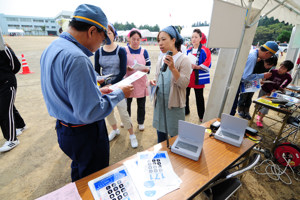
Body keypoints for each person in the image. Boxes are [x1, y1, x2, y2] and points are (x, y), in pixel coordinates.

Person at [40, 4, 133, 182]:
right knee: (94, 180)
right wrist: (119, 93)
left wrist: (95, 90)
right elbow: (90, 112)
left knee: (80, 173)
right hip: (85, 134)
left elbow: (65, 90)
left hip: (65, 129)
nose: (100, 45)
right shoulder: (77, 58)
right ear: (91, 31)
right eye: (102, 39)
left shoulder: (52, 47)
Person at [94, 23, 138, 148]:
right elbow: (96, 70)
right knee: (108, 111)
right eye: (105, 33)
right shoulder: (99, 51)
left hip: (119, 85)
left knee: (123, 111)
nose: (107, 35)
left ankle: (131, 134)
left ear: (114, 34)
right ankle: (114, 130)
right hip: (104, 87)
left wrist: (113, 84)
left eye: (109, 32)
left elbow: (123, 71)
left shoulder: (121, 50)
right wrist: (100, 79)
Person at [150, 25, 191, 143]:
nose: (160, 43)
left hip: (174, 105)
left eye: (163, 39)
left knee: (175, 138)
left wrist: (173, 68)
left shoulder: (184, 60)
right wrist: (153, 82)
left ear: (173, 40)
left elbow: (184, 84)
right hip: (160, 104)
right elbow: (158, 78)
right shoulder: (160, 59)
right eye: (158, 40)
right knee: (161, 136)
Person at [231, 41, 279, 117]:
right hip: (239, 82)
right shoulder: (253, 57)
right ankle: (238, 112)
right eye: (270, 56)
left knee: (245, 99)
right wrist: (262, 75)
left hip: (242, 82)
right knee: (234, 105)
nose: (268, 58)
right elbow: (246, 76)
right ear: (267, 53)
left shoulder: (254, 53)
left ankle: (244, 111)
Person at [0, 43, 26, 152]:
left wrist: (5, 75)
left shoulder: (3, 49)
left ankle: (12, 139)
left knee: (4, 111)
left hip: (7, 83)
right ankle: (20, 125)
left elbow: (16, 66)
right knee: (8, 106)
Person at [124, 28, 151, 131]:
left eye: (138, 39)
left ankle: (140, 122)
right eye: (133, 39)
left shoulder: (144, 51)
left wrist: (145, 69)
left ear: (140, 40)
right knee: (127, 103)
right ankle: (127, 120)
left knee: (141, 104)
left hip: (141, 81)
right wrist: (126, 68)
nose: (135, 41)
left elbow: (149, 66)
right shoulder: (124, 50)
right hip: (128, 81)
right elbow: (121, 66)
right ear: (129, 39)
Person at [238, 56, 278, 120]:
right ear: (265, 60)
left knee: (249, 97)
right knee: (243, 96)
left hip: (255, 84)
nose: (268, 67)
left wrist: (263, 80)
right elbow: (248, 74)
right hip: (246, 81)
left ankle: (246, 111)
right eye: (268, 65)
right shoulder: (257, 62)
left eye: (271, 66)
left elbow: (263, 75)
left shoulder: (267, 66)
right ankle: (240, 110)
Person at [256, 60, 294, 127]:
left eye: (283, 68)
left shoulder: (287, 76)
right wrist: (271, 89)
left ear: (287, 71)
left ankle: (260, 118)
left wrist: (282, 87)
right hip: (264, 89)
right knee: (259, 104)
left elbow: (289, 80)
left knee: (267, 106)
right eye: (281, 66)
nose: (280, 69)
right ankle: (259, 115)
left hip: (272, 93)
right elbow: (267, 81)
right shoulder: (273, 71)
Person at [185, 28, 211, 122]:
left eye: (196, 37)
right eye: (192, 37)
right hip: (189, 77)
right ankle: (186, 110)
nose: (194, 39)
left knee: (199, 97)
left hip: (198, 78)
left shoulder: (205, 50)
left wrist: (198, 67)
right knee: (185, 95)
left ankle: (201, 115)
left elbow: (208, 63)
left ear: (200, 38)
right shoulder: (188, 50)